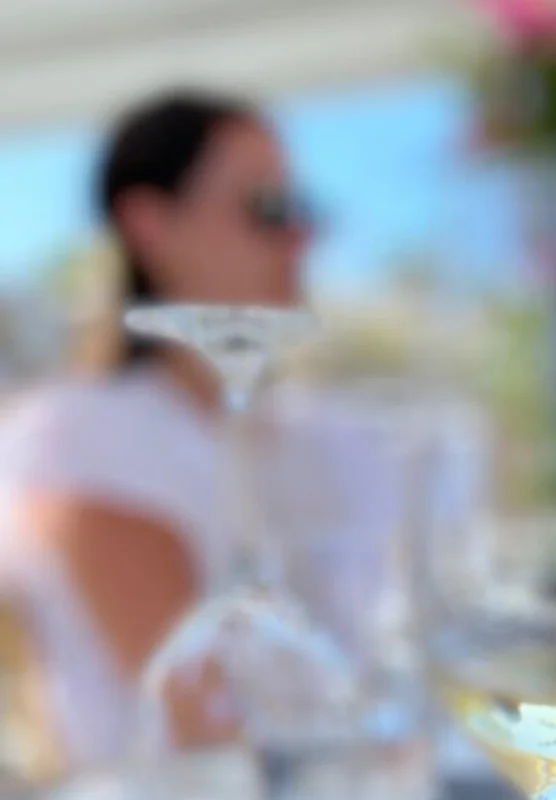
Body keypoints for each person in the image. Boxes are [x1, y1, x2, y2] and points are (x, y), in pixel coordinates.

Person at [0, 89, 397, 776]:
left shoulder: (311, 434)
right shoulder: (78, 434)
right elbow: (209, 730)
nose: (298, 236)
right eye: (266, 207)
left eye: (302, 208)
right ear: (149, 222)